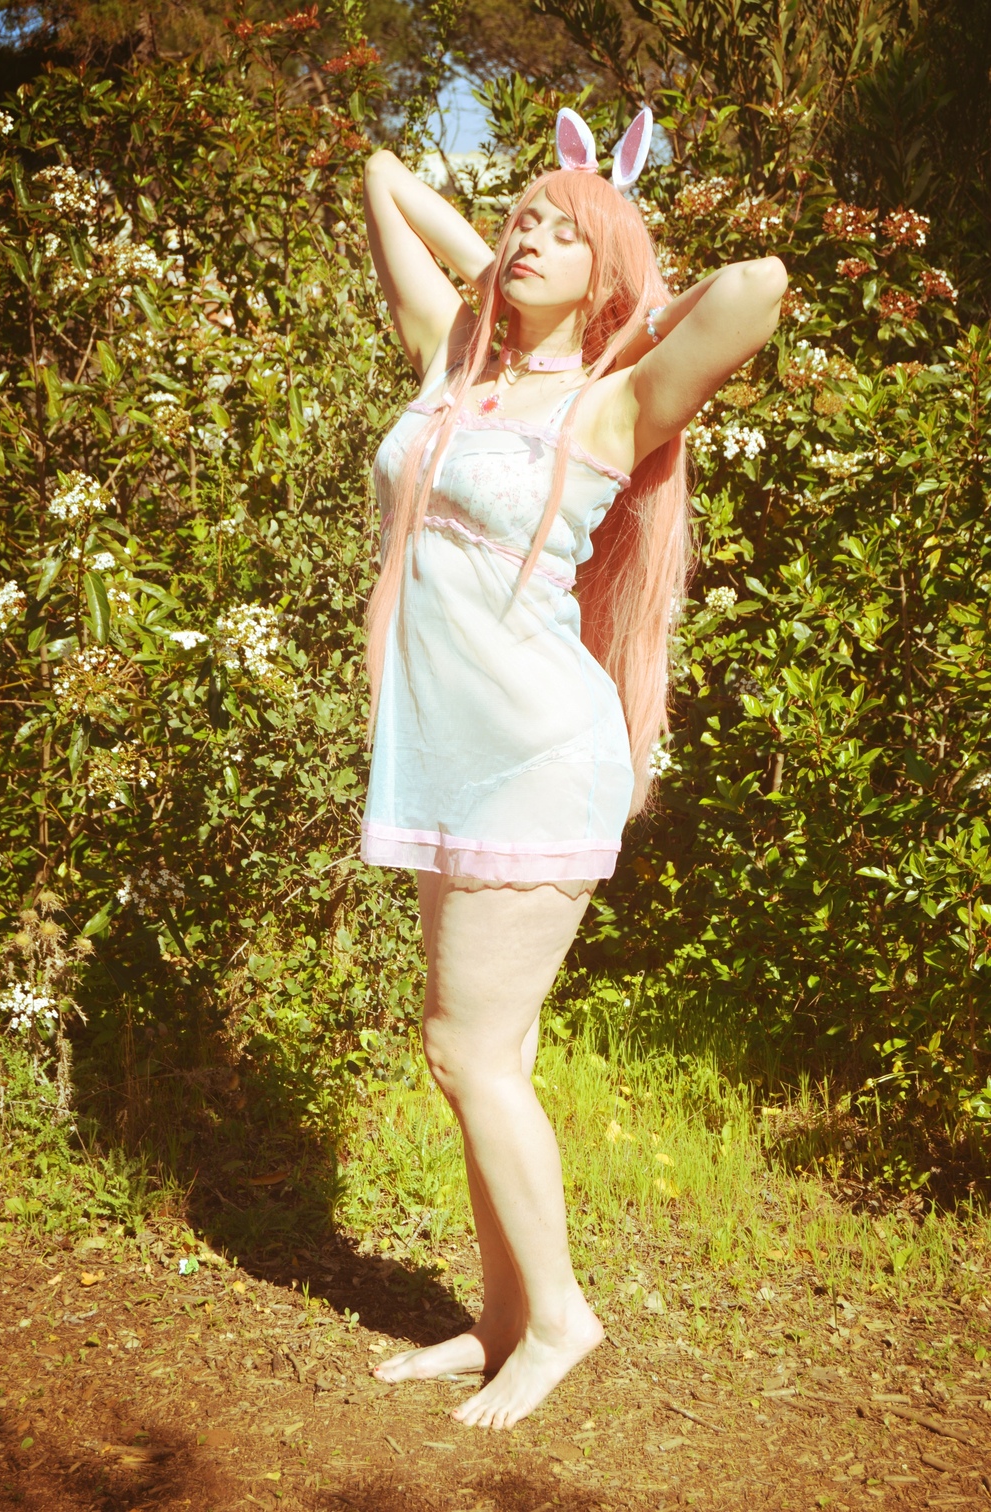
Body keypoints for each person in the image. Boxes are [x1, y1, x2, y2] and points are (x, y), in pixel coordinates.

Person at [359, 108, 786, 1431]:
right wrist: (506, 258)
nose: (530, 238)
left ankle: (557, 1320)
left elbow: (757, 286)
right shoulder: (453, 360)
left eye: (562, 232)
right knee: (488, 1049)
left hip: (539, 754)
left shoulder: (614, 400)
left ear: (607, 268)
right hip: (445, 755)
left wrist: (625, 287)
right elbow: (384, 173)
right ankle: (499, 1322)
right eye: (519, 223)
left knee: (464, 1049)